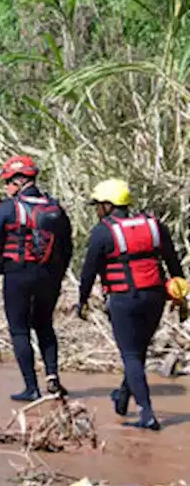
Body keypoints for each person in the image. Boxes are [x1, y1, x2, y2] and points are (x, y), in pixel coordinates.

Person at [76, 179, 184, 432]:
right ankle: (123, 397)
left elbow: (88, 271)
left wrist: (81, 301)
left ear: (108, 205)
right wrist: (181, 295)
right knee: (138, 351)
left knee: (131, 356)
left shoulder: (103, 232)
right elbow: (173, 263)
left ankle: (147, 414)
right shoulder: (154, 226)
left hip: (125, 299)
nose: (96, 211)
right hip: (155, 297)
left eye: (98, 206)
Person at [0, 155, 73, 402]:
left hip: (18, 274)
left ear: (19, 181)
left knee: (19, 330)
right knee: (45, 325)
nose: (6, 187)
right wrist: (58, 276)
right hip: (49, 276)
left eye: (7, 182)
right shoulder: (56, 208)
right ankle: (53, 377)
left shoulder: (7, 208)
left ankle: (31, 388)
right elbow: (68, 246)